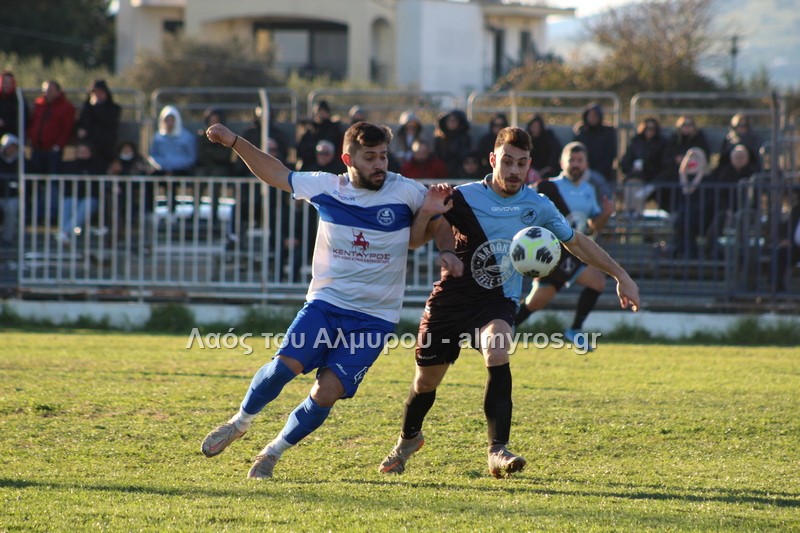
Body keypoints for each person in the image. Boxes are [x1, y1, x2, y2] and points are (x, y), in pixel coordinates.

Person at [200, 120, 462, 479]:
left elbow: (438, 225)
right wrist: (234, 142)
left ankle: (272, 453)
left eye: (383, 156)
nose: (380, 165)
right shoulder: (327, 187)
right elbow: (276, 173)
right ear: (348, 159)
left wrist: (447, 252)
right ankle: (239, 422)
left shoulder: (405, 191)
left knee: (327, 393)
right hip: (326, 304)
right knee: (283, 368)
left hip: (375, 318)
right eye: (370, 157)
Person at [378, 127, 639, 478]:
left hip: (497, 301)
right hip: (452, 300)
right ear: (493, 160)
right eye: (507, 162)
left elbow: (575, 242)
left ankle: (497, 450)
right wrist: (426, 212)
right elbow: (414, 241)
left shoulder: (538, 205)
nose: (514, 170)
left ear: (530, 164)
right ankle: (408, 440)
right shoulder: (464, 196)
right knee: (426, 382)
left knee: (498, 349)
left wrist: (620, 274)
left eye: (521, 163)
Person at [515, 142, 614, 349]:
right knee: (598, 282)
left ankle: (504, 328)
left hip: (574, 250)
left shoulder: (589, 190)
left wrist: (606, 213)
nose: (575, 164)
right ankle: (575, 330)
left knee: (536, 302)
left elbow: (594, 226)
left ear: (586, 164)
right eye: (571, 160)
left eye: (580, 161)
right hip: (554, 250)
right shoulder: (548, 187)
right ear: (562, 162)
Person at [620, 117, 667, 214]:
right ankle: (630, 214)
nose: (649, 131)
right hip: (636, 177)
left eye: (652, 128)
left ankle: (637, 215)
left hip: (654, 178)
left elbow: (663, 165)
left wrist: (646, 166)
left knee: (638, 188)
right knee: (632, 184)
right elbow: (625, 162)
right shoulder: (636, 142)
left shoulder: (662, 143)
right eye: (647, 128)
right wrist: (632, 168)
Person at [28, 80, 75, 175]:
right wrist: (31, 138)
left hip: (53, 150)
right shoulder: (39, 104)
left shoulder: (66, 107)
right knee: (35, 175)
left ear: (58, 92)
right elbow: (33, 122)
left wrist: (58, 145)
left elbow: (67, 129)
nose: (47, 93)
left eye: (50, 91)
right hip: (37, 148)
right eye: (45, 90)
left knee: (53, 176)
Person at [671, 147, 711, 259]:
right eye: (690, 157)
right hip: (684, 217)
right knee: (681, 221)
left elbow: (709, 202)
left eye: (696, 157)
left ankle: (689, 255)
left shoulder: (708, 179)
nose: (693, 160)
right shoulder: (680, 179)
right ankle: (683, 254)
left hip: (702, 217)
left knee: (686, 221)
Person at [75, 80, 121, 172]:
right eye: (95, 92)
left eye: (101, 92)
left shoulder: (114, 108)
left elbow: (109, 122)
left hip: (106, 146)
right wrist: (79, 130)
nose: (98, 95)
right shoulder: (86, 108)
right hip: (89, 145)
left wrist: (97, 106)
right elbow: (81, 123)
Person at [572, 103, 617, 186]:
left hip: (602, 173)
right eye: (590, 115)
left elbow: (610, 156)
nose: (592, 118)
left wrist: (597, 171)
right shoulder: (581, 133)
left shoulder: (608, 133)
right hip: (582, 172)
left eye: (595, 116)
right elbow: (575, 153)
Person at [295, 100, 344, 171]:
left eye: (323, 112)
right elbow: (301, 150)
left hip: (332, 166)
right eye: (318, 112)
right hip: (311, 165)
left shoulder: (335, 130)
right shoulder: (310, 130)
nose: (321, 115)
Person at [148, 105, 197, 176]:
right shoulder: (157, 137)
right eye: (166, 120)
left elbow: (191, 158)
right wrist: (163, 166)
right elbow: (152, 156)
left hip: (181, 172)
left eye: (171, 120)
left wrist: (176, 166)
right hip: (161, 171)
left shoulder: (187, 137)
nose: (169, 123)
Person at [195, 108, 234, 177]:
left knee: (217, 175)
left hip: (222, 167)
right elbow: (201, 156)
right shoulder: (202, 136)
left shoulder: (227, 136)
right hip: (205, 167)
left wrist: (210, 152)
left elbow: (225, 156)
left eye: (216, 121)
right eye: (212, 120)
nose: (214, 123)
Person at [434, 109, 472, 176]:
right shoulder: (439, 139)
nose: (452, 122)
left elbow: (465, 155)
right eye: (449, 120)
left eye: (454, 120)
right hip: (442, 171)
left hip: (461, 171)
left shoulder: (465, 138)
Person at [0, 133, 22, 247]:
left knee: (11, 209)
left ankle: (7, 238)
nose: (11, 149)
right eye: (9, 147)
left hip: (13, 195)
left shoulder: (21, 161)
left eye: (13, 147)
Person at [526, 114, 562, 180]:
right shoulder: (526, 139)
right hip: (531, 171)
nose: (535, 129)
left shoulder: (548, 137)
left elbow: (555, 151)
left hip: (548, 170)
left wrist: (548, 167)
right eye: (533, 126)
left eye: (537, 126)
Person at [0, 71, 28, 139]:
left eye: (9, 83)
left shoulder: (19, 100)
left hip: (13, 136)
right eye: (4, 83)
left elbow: (23, 121)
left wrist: (5, 123)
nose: (6, 85)